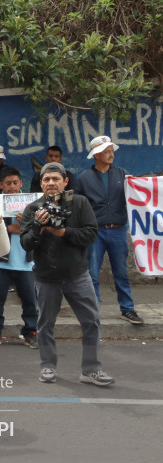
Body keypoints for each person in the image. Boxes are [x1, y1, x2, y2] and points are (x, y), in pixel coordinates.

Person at [20, 162, 113, 386]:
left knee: (91, 321)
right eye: (46, 179)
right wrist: (37, 228)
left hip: (77, 275)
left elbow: (91, 234)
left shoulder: (79, 203)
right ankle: (48, 367)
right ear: (41, 183)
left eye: (55, 179)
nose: (51, 183)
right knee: (45, 324)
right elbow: (26, 244)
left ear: (65, 181)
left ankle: (90, 369)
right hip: (46, 277)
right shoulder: (33, 209)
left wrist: (63, 232)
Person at [74, 135, 143, 325]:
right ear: (96, 155)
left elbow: (136, 196)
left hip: (119, 231)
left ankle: (127, 309)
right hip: (94, 232)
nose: (111, 154)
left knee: (121, 272)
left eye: (112, 150)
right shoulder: (83, 179)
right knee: (92, 274)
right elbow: (78, 206)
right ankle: (92, 310)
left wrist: (135, 185)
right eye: (106, 151)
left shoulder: (122, 174)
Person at [0, 167, 39, 349]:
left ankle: (31, 333)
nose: (12, 187)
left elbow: (41, 230)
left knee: (30, 301)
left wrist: (26, 224)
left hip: (26, 262)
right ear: (1, 185)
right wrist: (8, 229)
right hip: (0, 261)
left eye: (15, 183)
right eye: (8, 183)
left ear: (21, 183)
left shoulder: (33, 204)